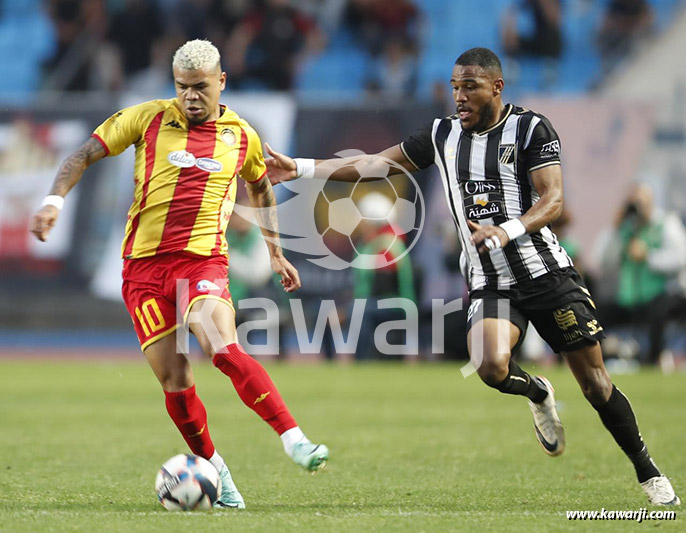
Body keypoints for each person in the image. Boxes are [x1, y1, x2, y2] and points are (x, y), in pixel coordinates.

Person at [264, 47, 680, 506]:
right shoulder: (441, 134)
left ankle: (647, 470)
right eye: (454, 87)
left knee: (596, 384)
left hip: (546, 274)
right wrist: (300, 168)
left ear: (496, 87)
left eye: (470, 87)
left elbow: (554, 198)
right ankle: (538, 391)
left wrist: (507, 229)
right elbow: (377, 164)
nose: (459, 96)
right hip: (489, 278)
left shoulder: (530, 128)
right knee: (490, 366)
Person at [30, 39, 328, 509]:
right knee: (175, 378)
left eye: (201, 87)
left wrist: (275, 253)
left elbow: (262, 190)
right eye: (183, 87)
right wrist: (53, 201)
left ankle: (294, 438)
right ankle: (219, 473)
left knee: (222, 348)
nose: (190, 96)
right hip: (143, 271)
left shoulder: (242, 135)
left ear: (221, 82)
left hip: (202, 262)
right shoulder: (146, 117)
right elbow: (82, 154)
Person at [597, 184, 686, 366]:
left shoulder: (666, 223)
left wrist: (648, 256)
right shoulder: (625, 230)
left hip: (663, 294)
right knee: (596, 315)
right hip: (630, 298)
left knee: (658, 311)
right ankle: (599, 360)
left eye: (641, 201)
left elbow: (680, 258)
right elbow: (602, 260)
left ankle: (653, 360)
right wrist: (615, 229)